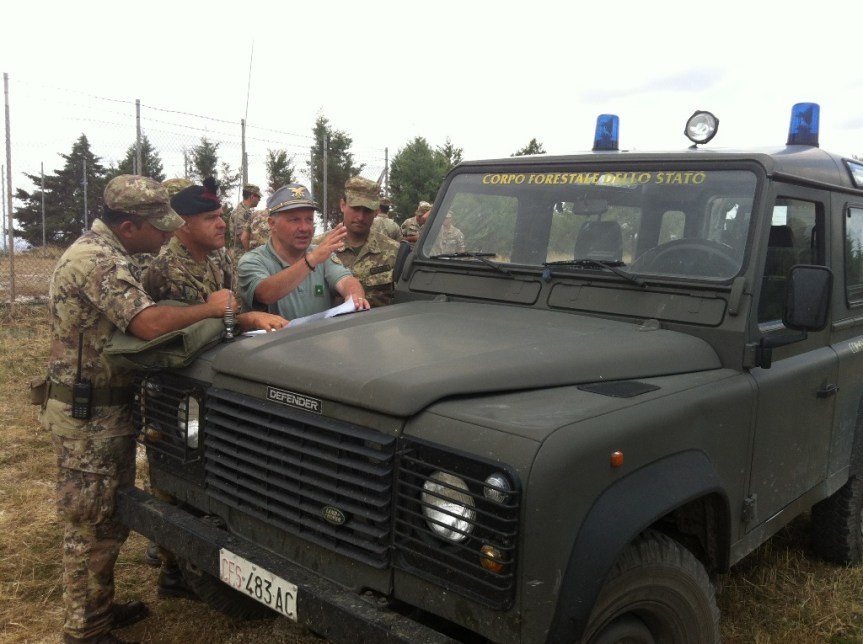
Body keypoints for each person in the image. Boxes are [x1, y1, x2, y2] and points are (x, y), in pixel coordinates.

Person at [41, 175, 235, 644]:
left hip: (106, 411)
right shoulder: (97, 261)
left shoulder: (111, 252)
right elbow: (146, 323)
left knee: (109, 515)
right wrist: (209, 309)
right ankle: (84, 631)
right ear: (128, 227)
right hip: (90, 418)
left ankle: (97, 612)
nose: (167, 235)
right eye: (158, 226)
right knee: (90, 522)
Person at [144, 177, 289, 332]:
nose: (222, 224)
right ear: (184, 224)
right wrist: (249, 319)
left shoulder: (212, 256)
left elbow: (232, 308)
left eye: (220, 215)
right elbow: (198, 333)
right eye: (211, 218)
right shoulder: (169, 269)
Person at [238, 183, 370, 319]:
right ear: (272, 223)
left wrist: (354, 297)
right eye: (294, 220)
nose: (305, 228)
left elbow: (346, 280)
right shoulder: (253, 261)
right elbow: (265, 293)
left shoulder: (321, 256)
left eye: (309, 220)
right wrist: (311, 260)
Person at [314, 177, 399, 307]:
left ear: (376, 212)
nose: (360, 217)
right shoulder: (318, 248)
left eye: (367, 211)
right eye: (355, 208)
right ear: (343, 205)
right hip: (332, 326)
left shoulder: (393, 252)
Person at [229, 183, 262, 262]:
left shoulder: (246, 212)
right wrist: (252, 257)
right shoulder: (240, 213)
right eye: (258, 197)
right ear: (252, 196)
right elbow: (243, 238)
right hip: (242, 257)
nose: (259, 199)